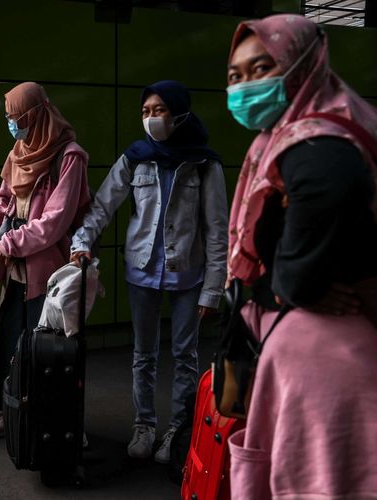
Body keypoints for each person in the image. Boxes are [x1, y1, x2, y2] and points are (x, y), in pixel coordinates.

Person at [223, 14, 377, 499]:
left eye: (261, 68)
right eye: (235, 76)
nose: (245, 86)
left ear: (302, 64)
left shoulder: (318, 140)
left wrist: (294, 284)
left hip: (329, 360)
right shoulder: (288, 135)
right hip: (311, 353)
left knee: (318, 481)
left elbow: (328, 191)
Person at [70, 80, 228, 463]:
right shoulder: (136, 157)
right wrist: (81, 242)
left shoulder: (205, 164)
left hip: (188, 272)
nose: (151, 118)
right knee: (143, 353)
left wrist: (212, 289)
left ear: (179, 113)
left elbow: (218, 231)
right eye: (145, 112)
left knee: (185, 353)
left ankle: (178, 428)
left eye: (159, 111)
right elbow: (103, 205)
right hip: (141, 269)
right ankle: (144, 425)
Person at [0, 82, 91, 440]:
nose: (12, 125)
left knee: (43, 351)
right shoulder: (19, 150)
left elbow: (55, 221)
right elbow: (4, 204)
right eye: (7, 118)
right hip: (15, 268)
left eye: (16, 117)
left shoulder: (69, 156)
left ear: (36, 114)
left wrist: (11, 242)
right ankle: (8, 417)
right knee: (8, 342)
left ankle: (48, 423)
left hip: (46, 269)